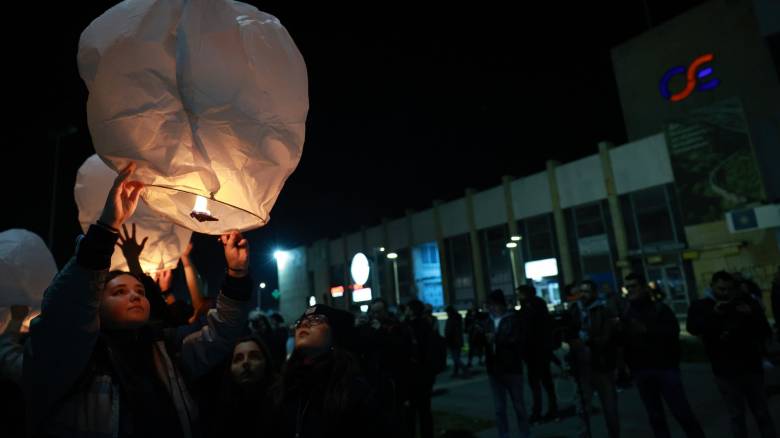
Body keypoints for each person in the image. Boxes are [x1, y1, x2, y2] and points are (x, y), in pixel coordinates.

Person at [23, 162, 252, 438]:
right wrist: (106, 229)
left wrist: (237, 273)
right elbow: (67, 309)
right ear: (96, 306)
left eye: (140, 292)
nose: (134, 295)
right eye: (118, 292)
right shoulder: (73, 358)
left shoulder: (169, 349)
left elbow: (223, 332)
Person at [269, 304, 387, 438]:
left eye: (317, 319)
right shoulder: (285, 385)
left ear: (335, 334)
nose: (304, 324)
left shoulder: (354, 389)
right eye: (300, 321)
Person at [687, 270, 776, 438]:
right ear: (712, 286)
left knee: (761, 412)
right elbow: (694, 327)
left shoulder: (746, 302)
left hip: (751, 366)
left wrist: (750, 314)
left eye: (728, 289)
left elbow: (764, 330)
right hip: (725, 369)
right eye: (721, 289)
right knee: (736, 415)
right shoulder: (702, 305)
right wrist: (714, 314)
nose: (725, 294)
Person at [621, 273, 705, 438]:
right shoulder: (627, 312)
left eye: (634, 286)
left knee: (681, 412)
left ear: (644, 288)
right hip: (642, 370)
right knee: (655, 417)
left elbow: (671, 334)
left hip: (665, 368)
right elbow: (626, 342)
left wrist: (646, 331)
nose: (630, 290)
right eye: (628, 287)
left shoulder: (660, 309)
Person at [565, 279, 621, 438]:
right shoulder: (575, 309)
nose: (583, 295)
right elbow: (569, 332)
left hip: (601, 364)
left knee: (609, 407)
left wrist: (587, 340)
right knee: (582, 409)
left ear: (594, 293)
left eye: (587, 291)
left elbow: (607, 336)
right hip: (582, 367)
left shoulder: (602, 309)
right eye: (581, 291)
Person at [207, 335, 276, 438]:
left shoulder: (281, 403)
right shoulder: (220, 412)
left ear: (266, 362)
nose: (245, 362)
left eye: (254, 356)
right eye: (238, 359)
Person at [485, 289, 530, 438]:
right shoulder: (488, 321)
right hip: (494, 369)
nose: (491, 308)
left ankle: (524, 433)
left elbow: (516, 341)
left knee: (518, 405)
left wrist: (496, 339)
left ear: (501, 305)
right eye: (489, 305)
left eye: (494, 305)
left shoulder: (512, 319)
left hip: (511, 368)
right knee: (499, 408)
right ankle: (503, 434)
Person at [517, 285, 558, 423]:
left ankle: (542, 410)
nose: (518, 296)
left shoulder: (531, 307)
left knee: (540, 382)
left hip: (536, 350)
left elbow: (530, 330)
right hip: (535, 350)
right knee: (542, 382)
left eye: (520, 294)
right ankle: (546, 409)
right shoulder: (533, 306)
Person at [404, 299, 438, 438]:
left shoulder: (407, 327)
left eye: (407, 308)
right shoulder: (427, 325)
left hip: (412, 374)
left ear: (411, 310)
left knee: (411, 412)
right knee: (425, 411)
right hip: (426, 375)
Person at [445, 305, 465, 377]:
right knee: (456, 357)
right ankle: (455, 372)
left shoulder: (451, 319)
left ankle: (465, 370)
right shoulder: (458, 318)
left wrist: (447, 340)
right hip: (458, 340)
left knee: (455, 358)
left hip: (453, 341)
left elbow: (449, 331)